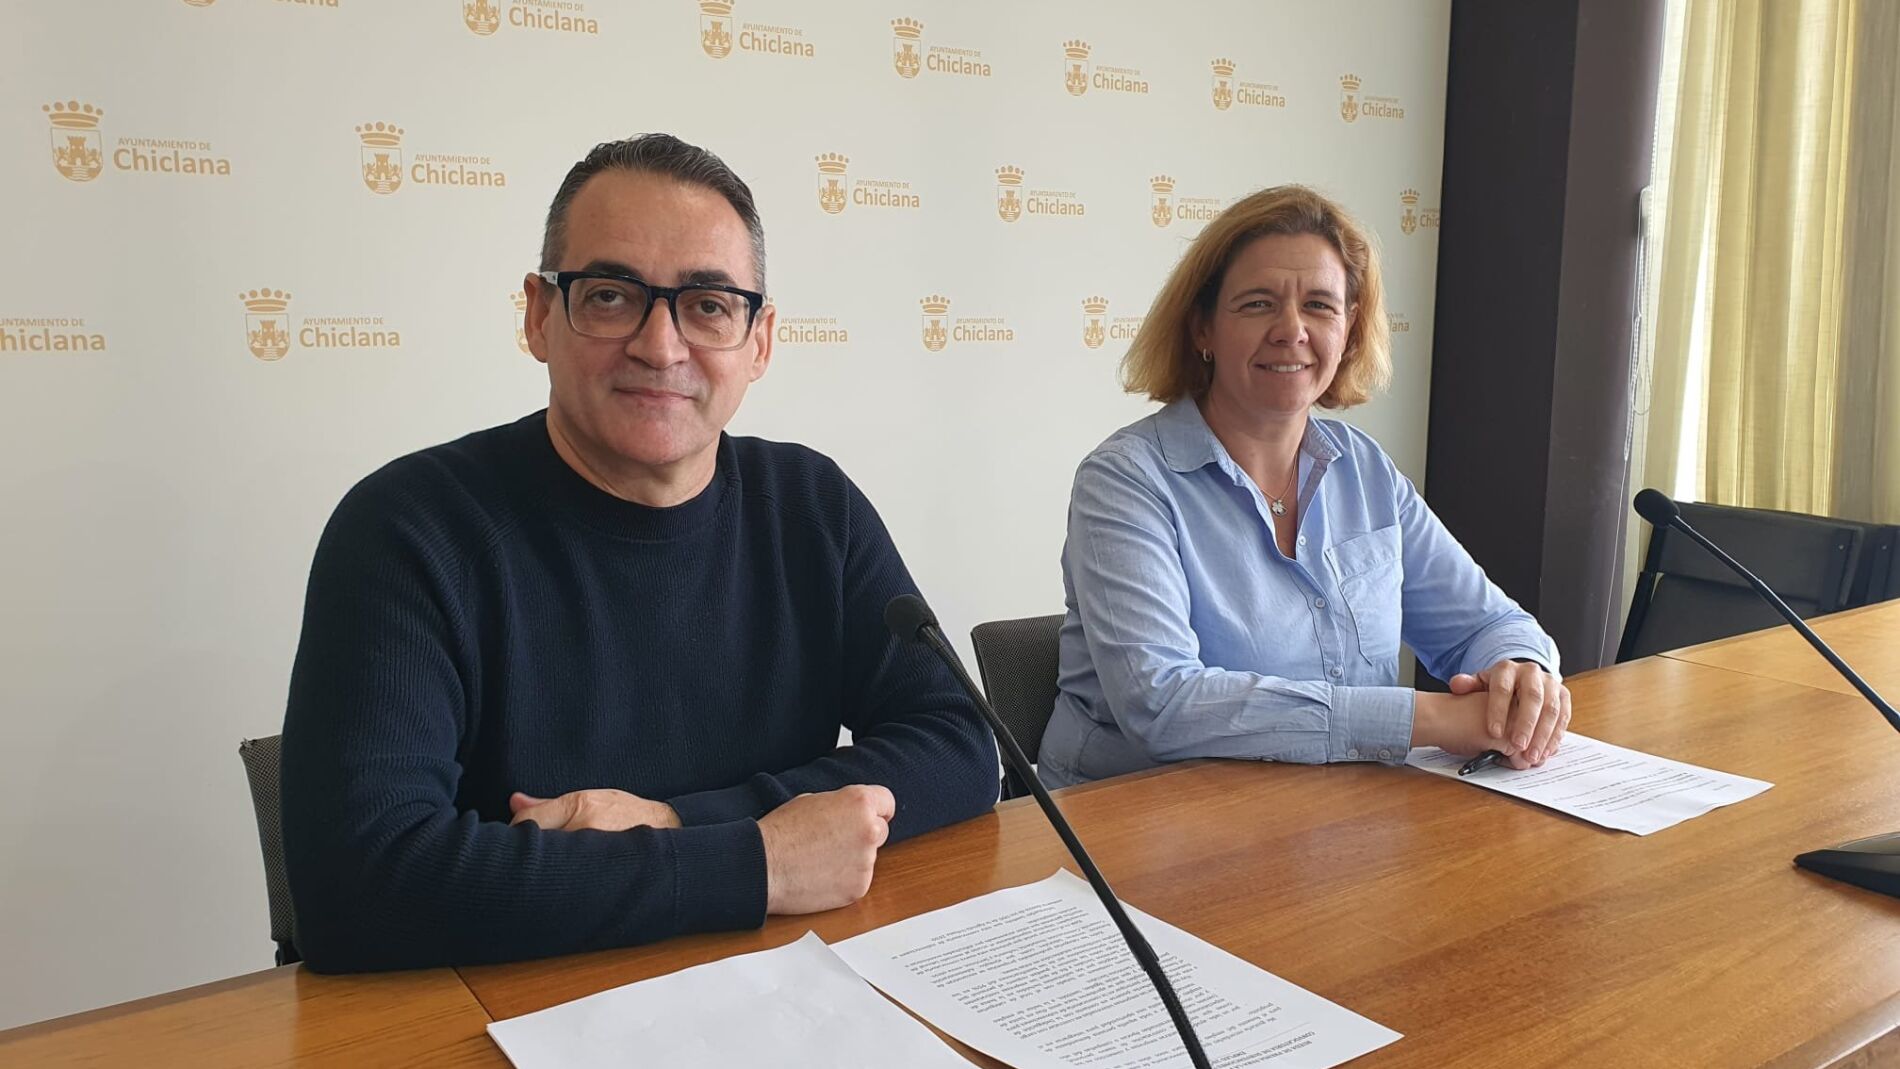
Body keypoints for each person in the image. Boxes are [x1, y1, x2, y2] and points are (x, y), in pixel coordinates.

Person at [281, 133, 997, 972]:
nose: (660, 346)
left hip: (778, 983)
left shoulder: (813, 506)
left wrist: (677, 823)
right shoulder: (410, 530)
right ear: (539, 315)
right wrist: (756, 860)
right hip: (506, 1000)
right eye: (612, 296)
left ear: (759, 341)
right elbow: (358, 883)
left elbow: (959, 743)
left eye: (709, 305)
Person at [1038, 184, 1568, 789]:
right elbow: (1162, 704)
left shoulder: (1365, 470)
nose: (1291, 330)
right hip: (1139, 821)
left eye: (1319, 305)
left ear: (1349, 330)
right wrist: (1430, 719)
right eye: (1257, 304)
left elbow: (1487, 625)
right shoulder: (1124, 480)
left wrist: (1520, 676)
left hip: (1337, 811)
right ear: (1202, 328)